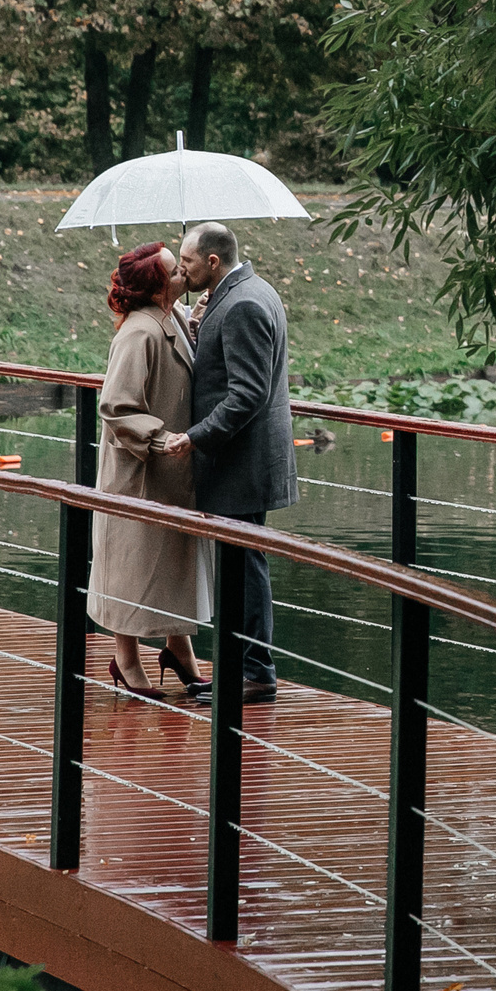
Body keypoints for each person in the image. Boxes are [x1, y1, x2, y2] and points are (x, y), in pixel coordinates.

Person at [161, 220, 294, 703]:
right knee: (241, 564)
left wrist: (194, 438)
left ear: (212, 262)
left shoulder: (240, 305)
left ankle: (255, 673)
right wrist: (199, 329)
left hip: (242, 463)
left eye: (189, 263)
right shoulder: (244, 292)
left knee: (245, 567)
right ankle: (247, 668)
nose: (183, 270)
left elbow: (247, 395)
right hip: (245, 461)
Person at [92, 242, 215, 701]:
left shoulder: (173, 317)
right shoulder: (137, 334)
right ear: (158, 287)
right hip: (140, 471)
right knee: (133, 563)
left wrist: (197, 318)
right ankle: (125, 658)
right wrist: (162, 440)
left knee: (171, 561)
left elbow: (182, 356)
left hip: (171, 472)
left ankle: (178, 649)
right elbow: (116, 406)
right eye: (174, 272)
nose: (184, 274)